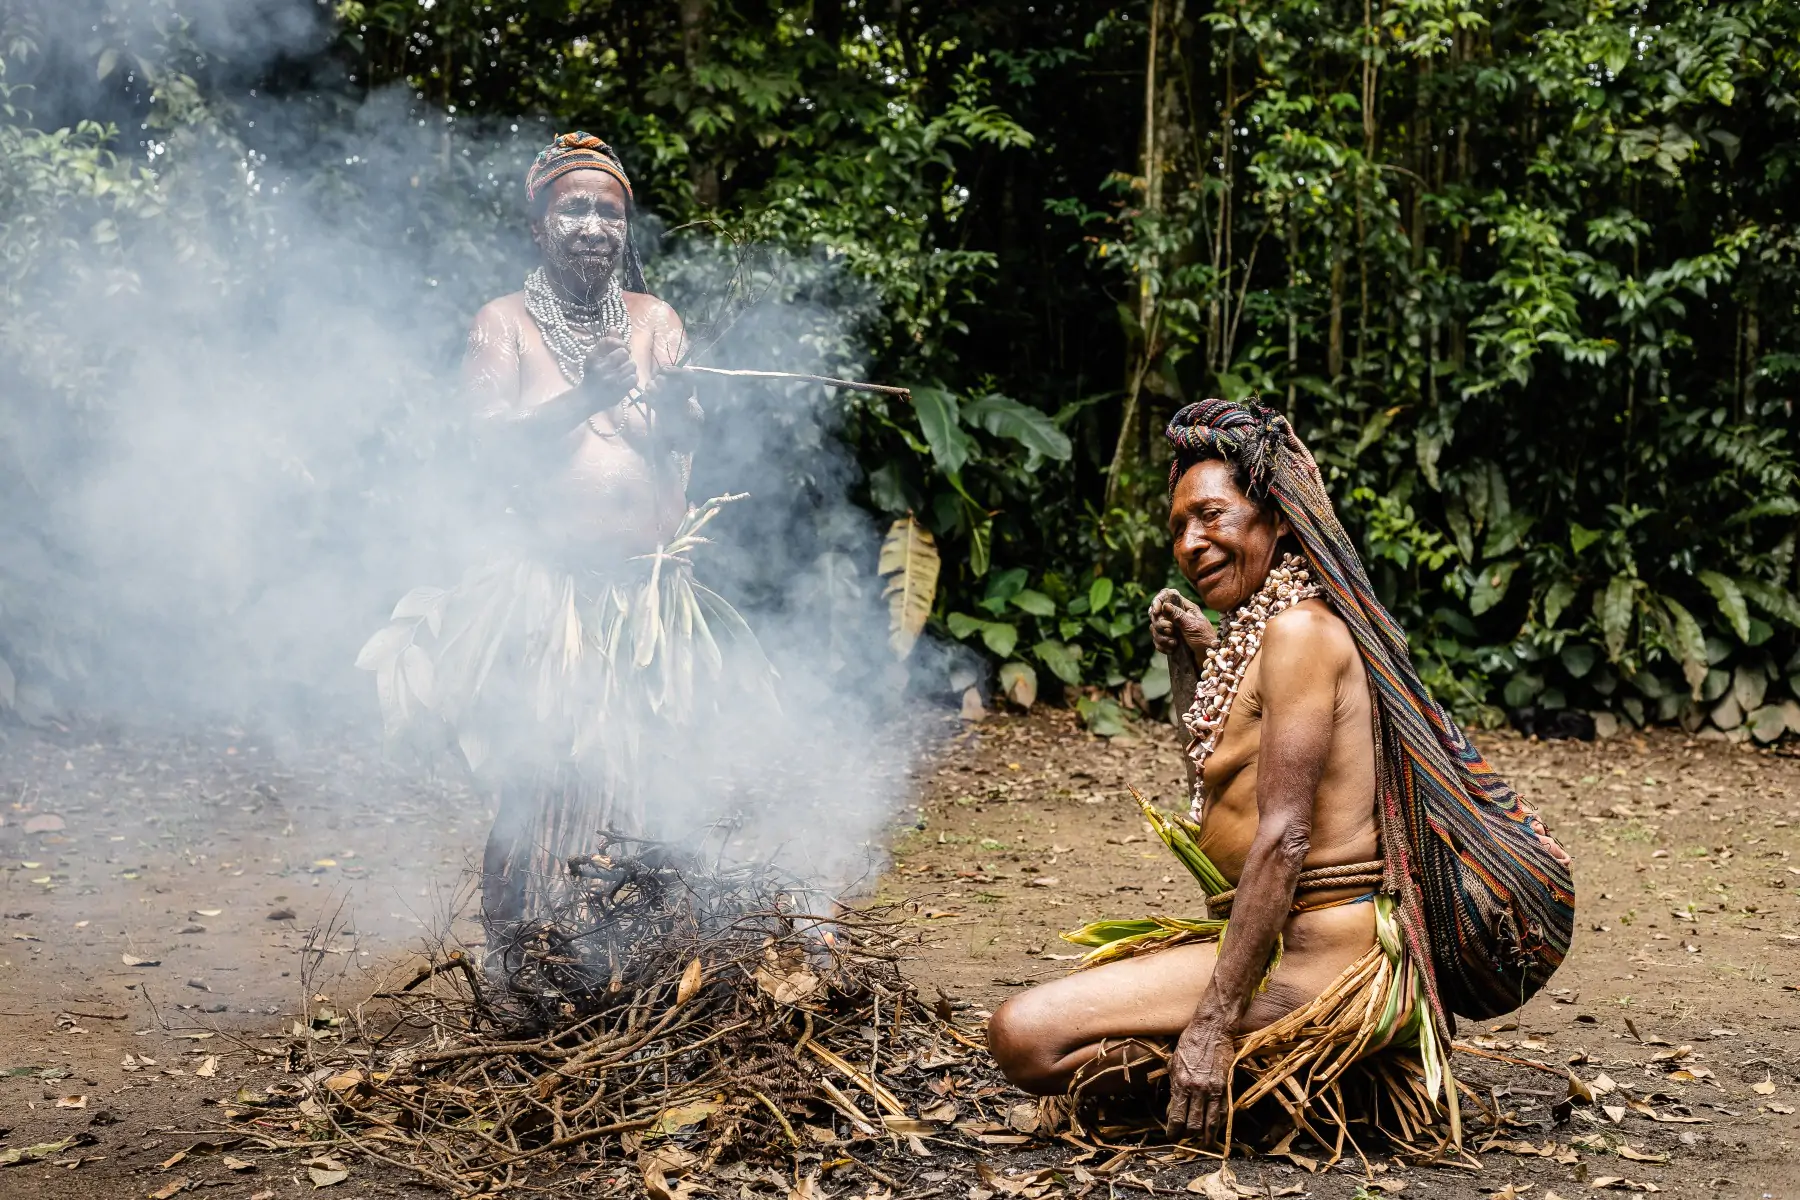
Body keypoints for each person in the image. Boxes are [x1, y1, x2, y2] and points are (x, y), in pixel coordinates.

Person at [988, 399, 1575, 1155]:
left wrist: (1211, 1023)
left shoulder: (1299, 632)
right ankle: (1309, 1078)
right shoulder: (1269, 635)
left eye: (1209, 516)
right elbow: (1219, 770)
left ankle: (1294, 1068)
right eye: (1176, 529)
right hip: (1283, 943)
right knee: (1041, 1034)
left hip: (1323, 954)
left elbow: (1286, 835)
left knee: (1023, 1037)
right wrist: (1200, 654)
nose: (1190, 543)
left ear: (1278, 516)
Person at [357, 132, 768, 946]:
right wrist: (580, 398)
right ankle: (526, 957)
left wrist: (678, 406)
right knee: (540, 777)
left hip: (649, 597)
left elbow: (679, 445)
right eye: (573, 208)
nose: (592, 226)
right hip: (549, 599)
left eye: (609, 211)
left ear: (627, 227)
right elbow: (481, 451)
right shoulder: (502, 325)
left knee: (653, 777)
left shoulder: (656, 322)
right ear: (538, 226)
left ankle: (650, 945)